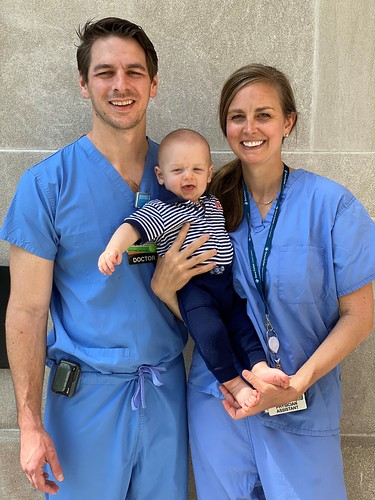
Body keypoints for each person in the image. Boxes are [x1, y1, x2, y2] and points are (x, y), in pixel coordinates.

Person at [0, 17, 216, 500]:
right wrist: (30, 426)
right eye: (105, 72)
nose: (121, 85)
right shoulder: (47, 185)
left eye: (135, 72)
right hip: (83, 403)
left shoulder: (183, 175)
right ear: (83, 84)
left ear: (154, 84)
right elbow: (27, 311)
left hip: (165, 392)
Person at [151, 64, 375, 499]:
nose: (249, 128)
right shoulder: (203, 207)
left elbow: (360, 315)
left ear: (288, 122)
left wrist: (298, 382)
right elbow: (203, 306)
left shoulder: (332, 206)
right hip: (221, 403)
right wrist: (164, 291)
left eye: (264, 115)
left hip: (303, 406)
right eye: (237, 116)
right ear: (225, 126)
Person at [98, 128, 290, 411]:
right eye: (178, 170)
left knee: (243, 326)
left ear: (209, 174)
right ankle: (233, 382)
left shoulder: (213, 203)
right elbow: (133, 226)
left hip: (225, 284)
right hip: (194, 288)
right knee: (209, 333)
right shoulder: (162, 209)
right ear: (161, 176)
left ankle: (259, 367)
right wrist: (113, 249)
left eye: (196, 169)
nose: (188, 176)